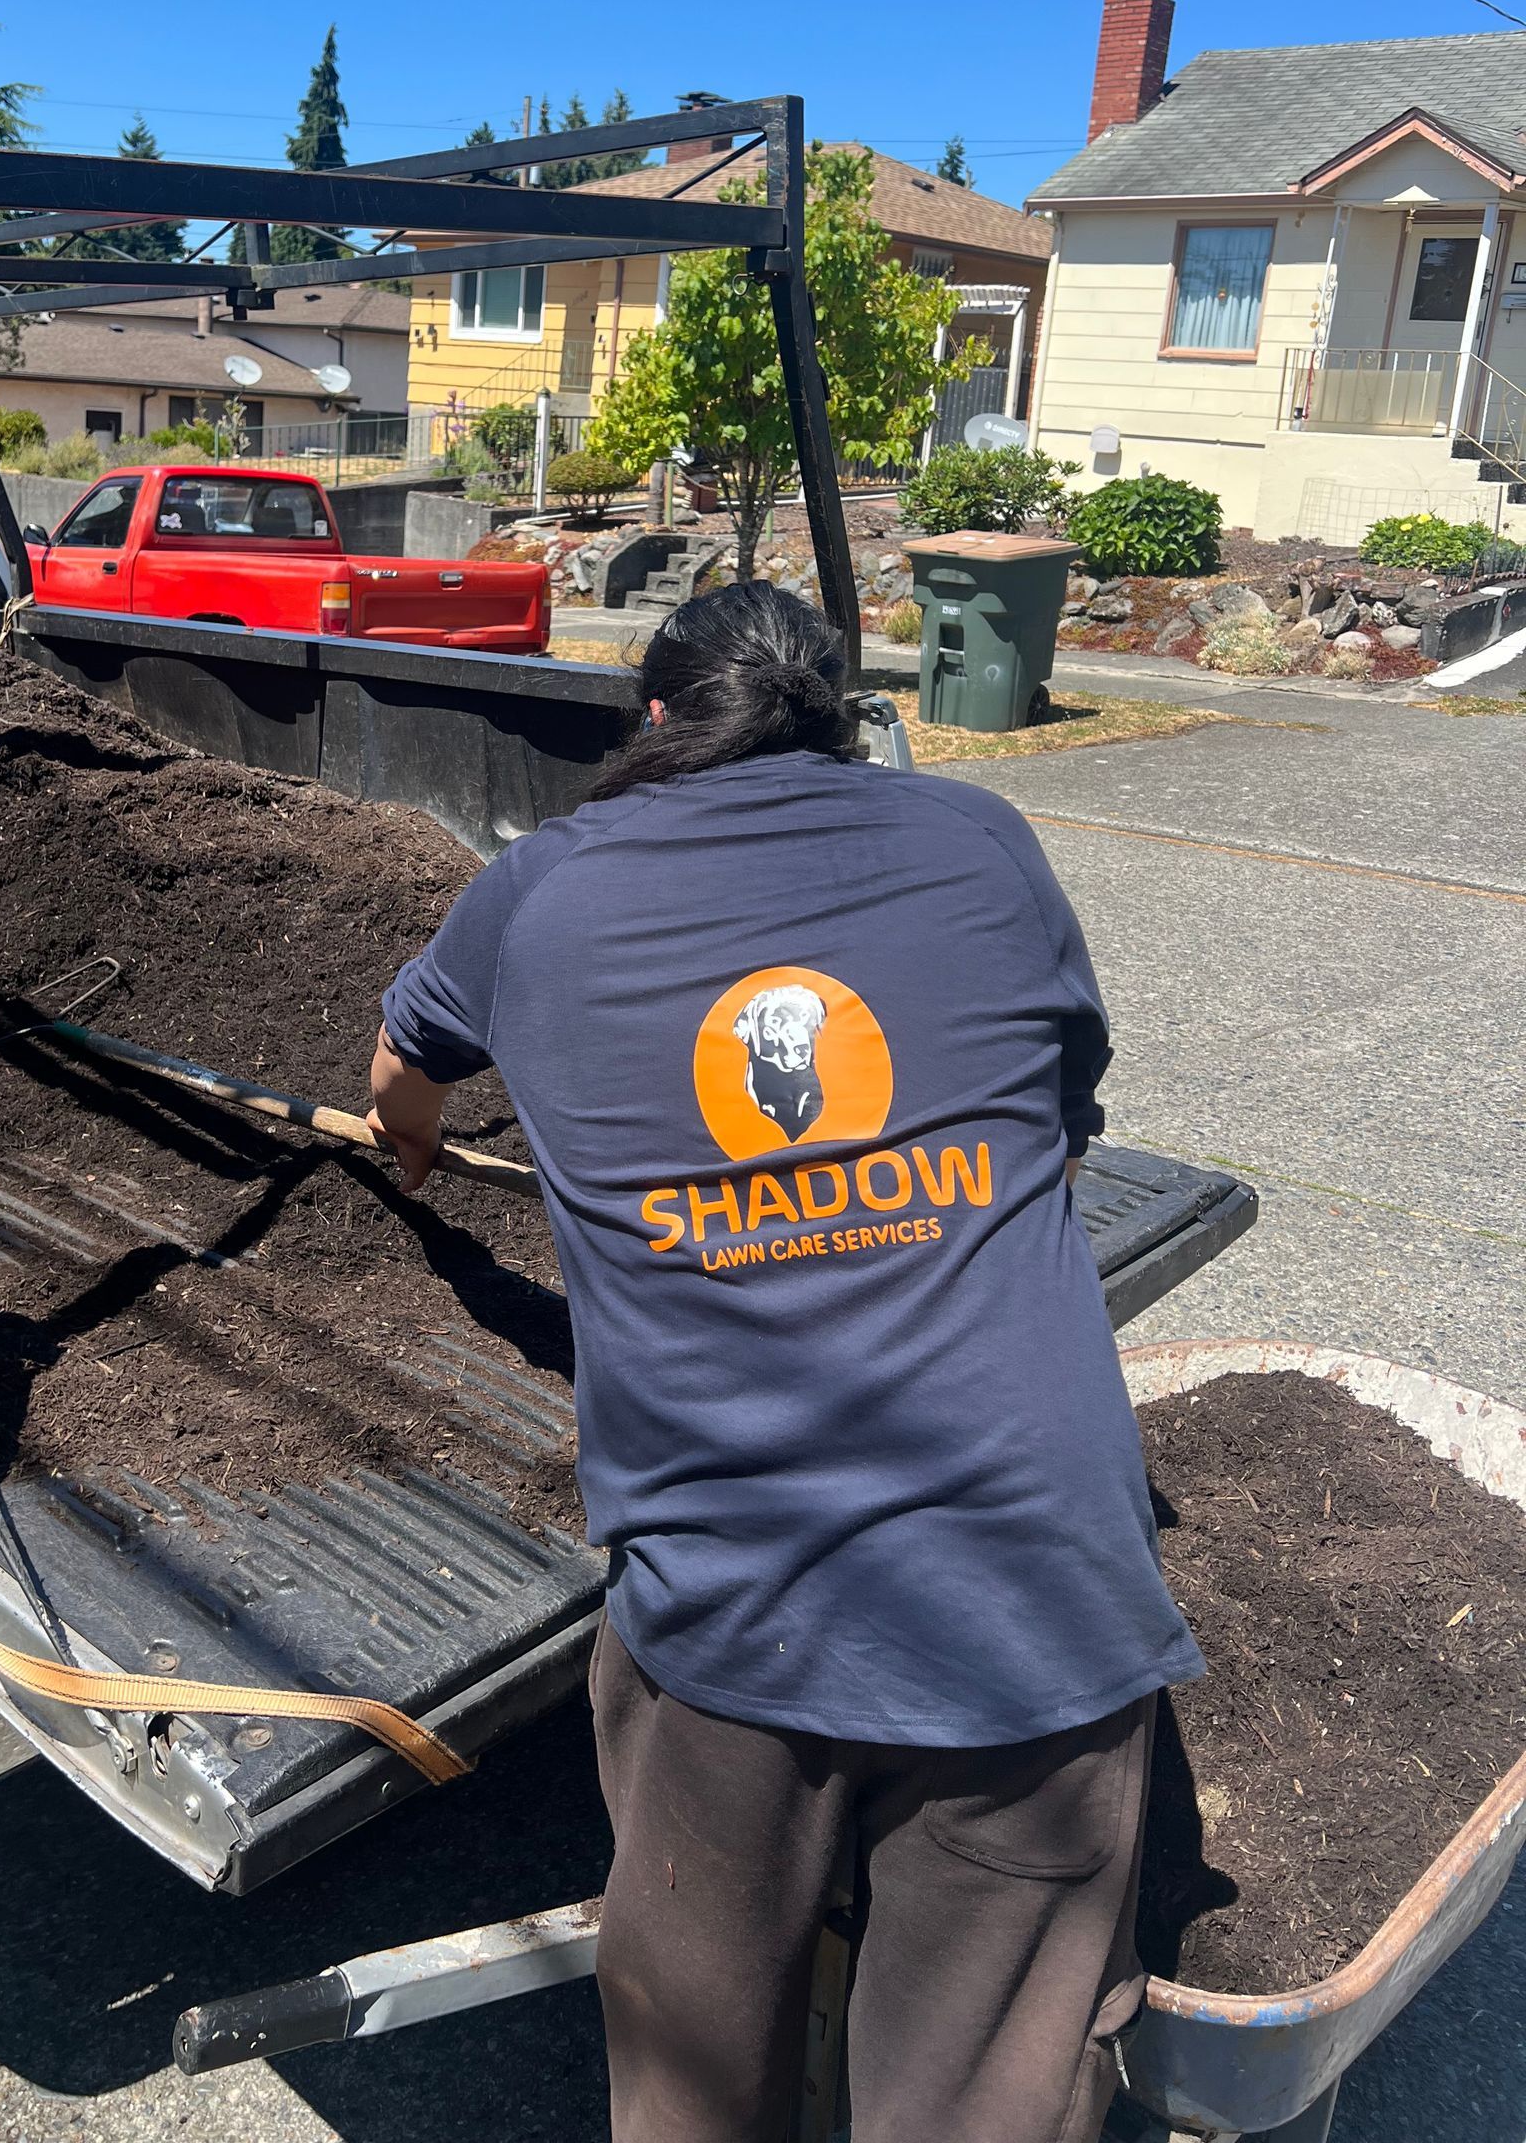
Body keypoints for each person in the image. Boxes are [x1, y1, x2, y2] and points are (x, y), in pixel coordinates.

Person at [369, 581, 1201, 2143]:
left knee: (691, 2080)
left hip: (728, 1619)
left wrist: (407, 1142)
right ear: (841, 709)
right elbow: (1061, 1116)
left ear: (656, 721)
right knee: (990, 2100)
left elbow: (403, 1069)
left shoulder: (541, 891)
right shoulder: (981, 841)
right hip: (1038, 1593)